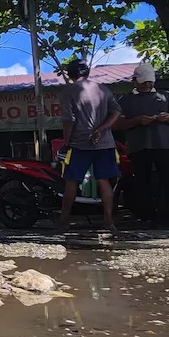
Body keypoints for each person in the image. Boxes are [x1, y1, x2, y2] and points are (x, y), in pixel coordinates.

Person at [114, 63, 169, 227]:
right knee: (142, 183)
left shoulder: (166, 96)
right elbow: (117, 124)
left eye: (150, 82)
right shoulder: (125, 100)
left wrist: (168, 117)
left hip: (165, 145)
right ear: (135, 81)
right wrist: (138, 121)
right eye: (144, 82)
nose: (148, 85)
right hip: (139, 147)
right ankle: (146, 217)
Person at [55, 59, 122, 231]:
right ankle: (108, 221)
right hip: (105, 143)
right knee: (104, 180)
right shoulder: (103, 89)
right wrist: (102, 128)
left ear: (69, 74)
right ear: (87, 72)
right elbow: (116, 111)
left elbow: (69, 121)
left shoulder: (68, 91)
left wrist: (66, 142)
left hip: (79, 143)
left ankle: (63, 220)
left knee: (72, 180)